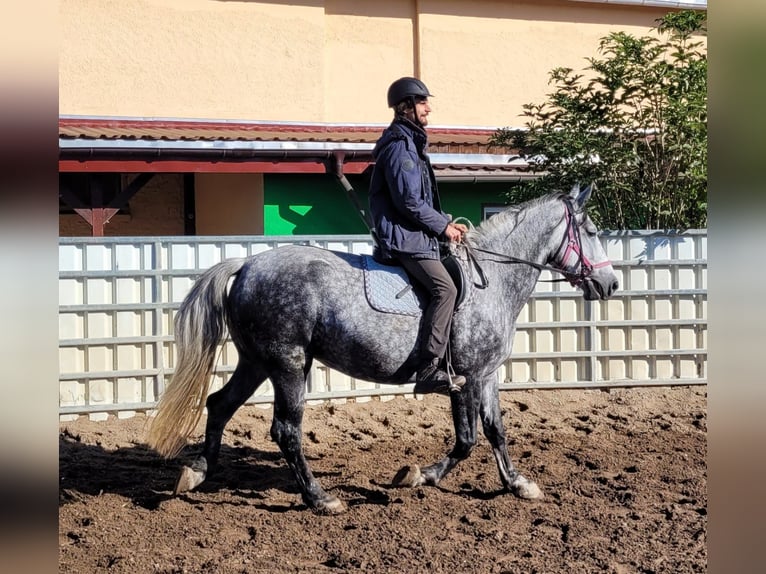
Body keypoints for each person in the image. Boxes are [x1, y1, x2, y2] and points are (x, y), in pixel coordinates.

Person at [368, 76, 468, 394]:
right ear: (405, 107)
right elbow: (408, 202)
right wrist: (442, 228)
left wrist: (446, 221)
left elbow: (419, 201)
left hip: (414, 234)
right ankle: (428, 369)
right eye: (423, 102)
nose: (428, 108)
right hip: (404, 239)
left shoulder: (410, 143)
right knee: (446, 289)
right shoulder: (401, 148)